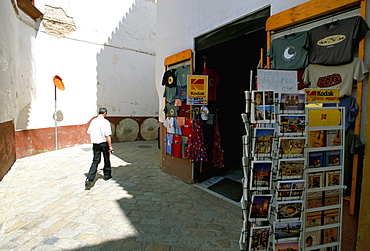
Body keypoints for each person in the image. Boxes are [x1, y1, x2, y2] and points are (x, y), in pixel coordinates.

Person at [85, 107, 114, 190]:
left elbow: (89, 132)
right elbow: (107, 135)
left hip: (95, 143)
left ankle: (89, 178)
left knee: (95, 161)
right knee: (106, 159)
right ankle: (107, 175)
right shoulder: (105, 122)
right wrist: (110, 146)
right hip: (103, 143)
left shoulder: (93, 121)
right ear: (105, 113)